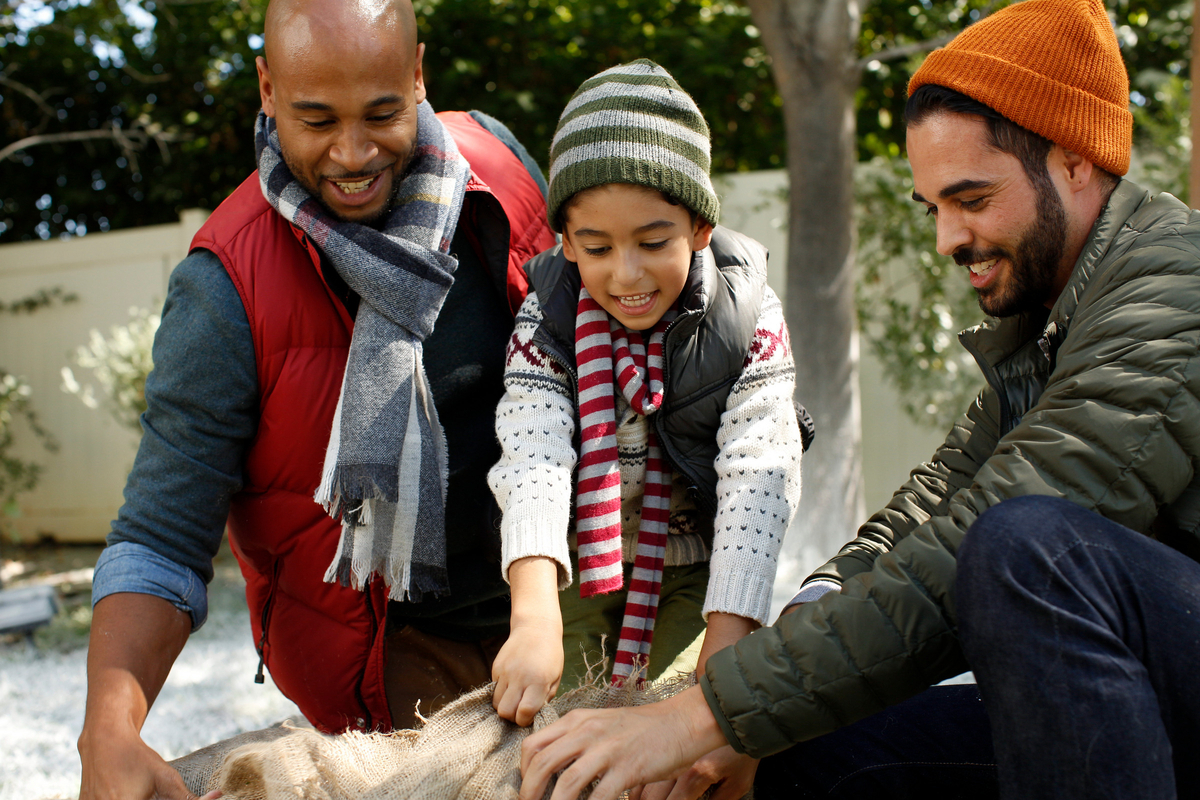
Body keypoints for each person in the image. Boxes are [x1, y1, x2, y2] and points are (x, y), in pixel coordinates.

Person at [516, 1, 1200, 799]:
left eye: (971, 200)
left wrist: (700, 715)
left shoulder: (1171, 291)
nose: (947, 240)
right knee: (790, 746)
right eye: (934, 208)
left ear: (1076, 161)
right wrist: (782, 654)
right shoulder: (1051, 317)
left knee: (1028, 546)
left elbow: (990, 544)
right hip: (1148, 705)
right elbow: (935, 508)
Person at [76, 1, 555, 798]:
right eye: (315, 118)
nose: (353, 151)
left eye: (382, 112)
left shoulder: (499, 173)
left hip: (567, 598)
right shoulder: (224, 289)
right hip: (398, 661)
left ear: (419, 74)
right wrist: (109, 726)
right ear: (267, 87)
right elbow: (162, 535)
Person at [487, 60, 809, 793]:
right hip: (583, 564)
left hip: (698, 568)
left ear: (700, 226)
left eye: (653, 241)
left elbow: (760, 468)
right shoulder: (548, 317)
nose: (626, 274)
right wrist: (532, 613)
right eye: (596, 247)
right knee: (562, 744)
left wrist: (727, 645)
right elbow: (532, 449)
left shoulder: (746, 316)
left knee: (687, 757)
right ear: (565, 240)